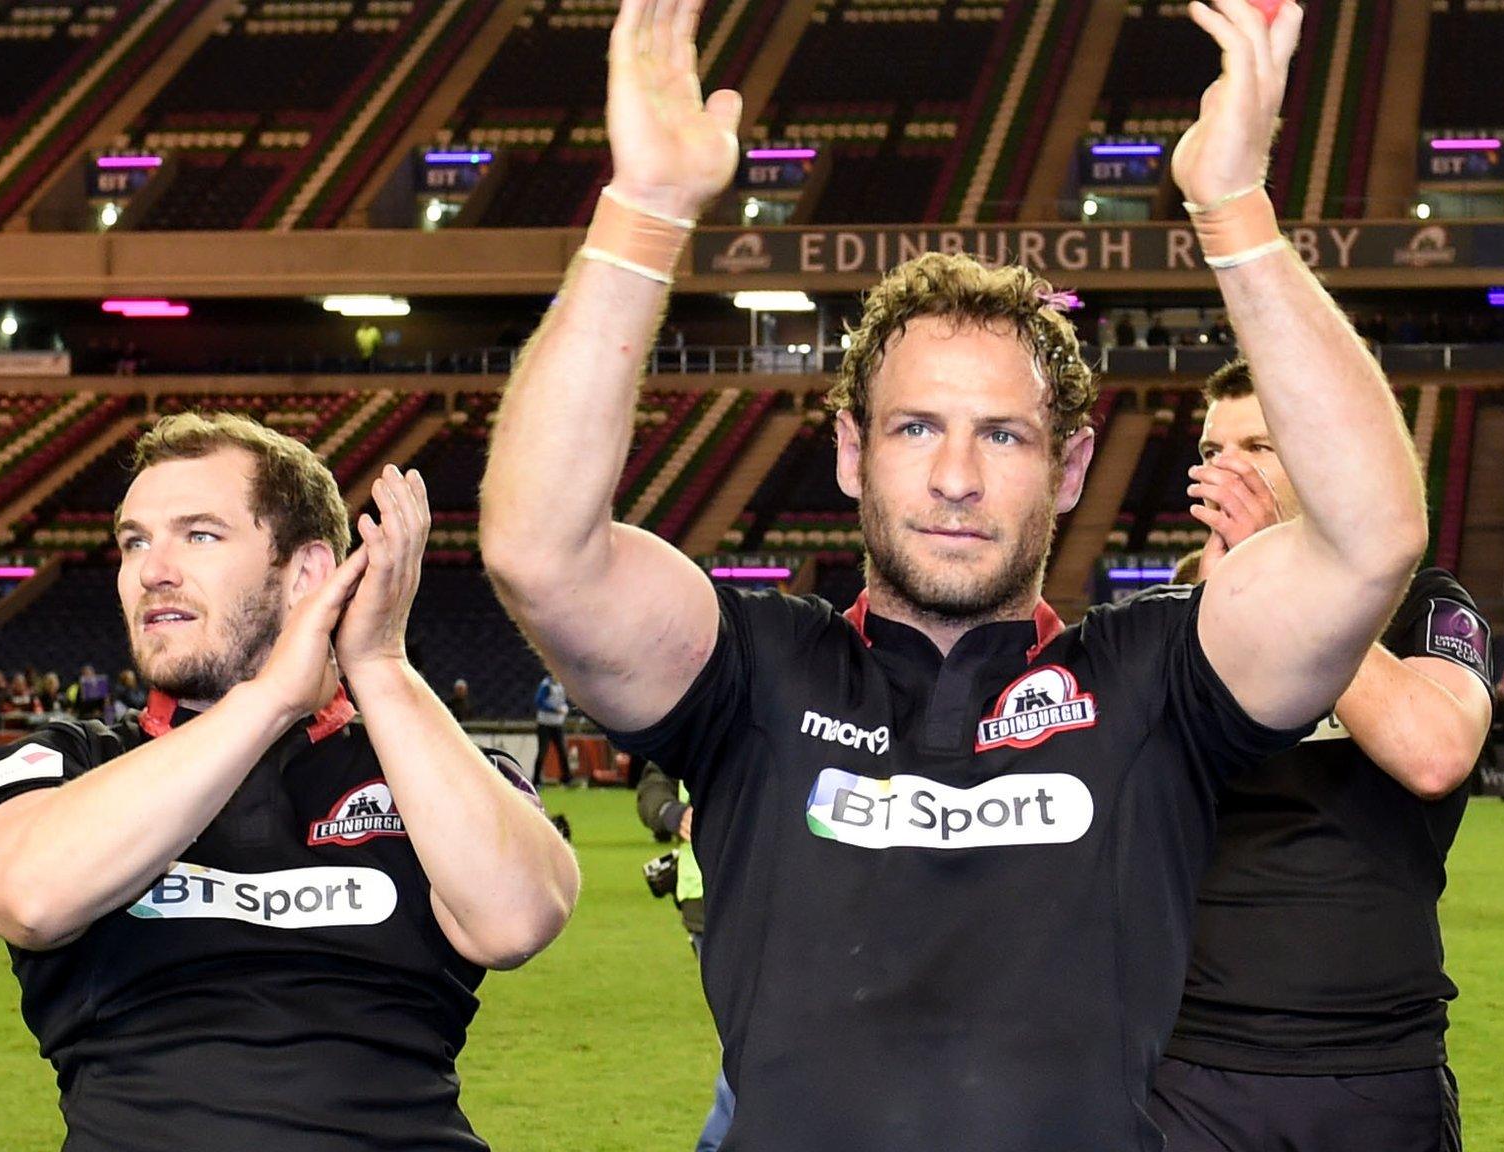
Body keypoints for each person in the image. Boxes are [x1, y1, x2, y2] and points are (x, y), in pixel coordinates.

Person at [478, 0, 1427, 1144]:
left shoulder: (1155, 681)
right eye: (915, 429)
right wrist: (644, 212)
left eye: (1006, 435)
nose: (958, 478)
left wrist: (1234, 211)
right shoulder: (752, 673)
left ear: (1070, 466)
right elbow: (539, 551)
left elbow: (1370, 538)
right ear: (848, 451)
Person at [0, 413, 578, 1151]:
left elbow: (519, 918)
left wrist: (380, 666)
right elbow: (29, 894)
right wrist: (269, 697)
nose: (152, 569)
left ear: (307, 575)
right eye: (135, 541)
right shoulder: (70, 763)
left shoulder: (415, 763)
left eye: (200, 535)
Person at [1151, 360, 1493, 1152]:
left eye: (1260, 445)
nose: (1227, 468)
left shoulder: (1422, 607)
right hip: (1192, 1065)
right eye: (1212, 449)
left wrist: (1291, 580)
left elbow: (1437, 752)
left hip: (1374, 1066)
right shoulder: (1166, 623)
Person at [637, 762, 734, 1152]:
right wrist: (674, 814)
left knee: (750, 1046)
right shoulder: (702, 714)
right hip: (710, 913)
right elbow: (652, 789)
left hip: (777, 906)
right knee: (748, 1046)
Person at [533, 672, 571, 786]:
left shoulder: (562, 685)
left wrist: (565, 708)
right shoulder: (547, 685)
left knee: (562, 751)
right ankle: (536, 780)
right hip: (545, 723)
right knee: (543, 751)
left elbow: (562, 700)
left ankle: (566, 779)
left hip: (557, 723)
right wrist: (555, 709)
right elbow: (539, 702)